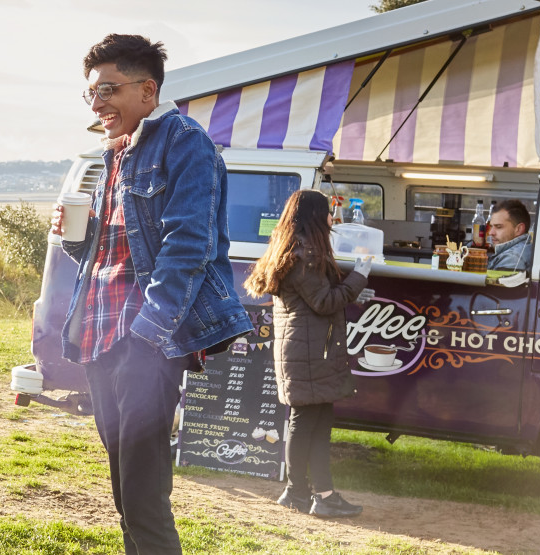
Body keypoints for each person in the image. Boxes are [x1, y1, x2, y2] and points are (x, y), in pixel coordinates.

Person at [48, 34, 254, 554]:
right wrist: (76, 237)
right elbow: (109, 253)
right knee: (127, 493)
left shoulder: (183, 140)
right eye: (90, 94)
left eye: (108, 90)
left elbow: (190, 245)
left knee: (142, 496)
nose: (97, 105)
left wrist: (148, 337)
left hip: (142, 339)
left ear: (147, 89)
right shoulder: (115, 152)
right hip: (99, 338)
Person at [242, 189, 374, 519]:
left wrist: (354, 288)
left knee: (314, 421)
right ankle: (302, 492)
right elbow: (324, 302)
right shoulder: (307, 255)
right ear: (315, 216)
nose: (333, 219)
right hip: (311, 352)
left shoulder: (292, 250)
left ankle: (310, 493)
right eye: (328, 212)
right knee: (307, 423)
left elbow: (320, 296)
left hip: (303, 349)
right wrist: (360, 274)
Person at [487, 199, 533, 272]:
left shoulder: (512, 257)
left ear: (519, 229)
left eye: (498, 227)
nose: (491, 232)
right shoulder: (525, 248)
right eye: (491, 226)